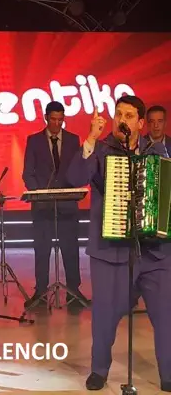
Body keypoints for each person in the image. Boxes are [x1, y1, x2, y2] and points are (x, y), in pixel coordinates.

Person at [67, 95, 171, 392]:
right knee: (105, 315)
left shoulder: (158, 151)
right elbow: (74, 178)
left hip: (155, 253)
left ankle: (168, 373)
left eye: (128, 116)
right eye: (118, 115)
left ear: (140, 123)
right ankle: (99, 370)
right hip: (110, 252)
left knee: (166, 316)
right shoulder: (101, 150)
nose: (121, 120)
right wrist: (91, 138)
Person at [22, 101, 89, 309]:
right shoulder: (34, 141)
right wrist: (40, 194)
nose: (57, 124)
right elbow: (28, 173)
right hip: (43, 207)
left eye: (60, 120)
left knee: (71, 249)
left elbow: (77, 169)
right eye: (53, 119)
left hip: (67, 206)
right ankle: (41, 292)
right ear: (46, 117)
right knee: (42, 250)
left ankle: (73, 292)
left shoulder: (73, 140)